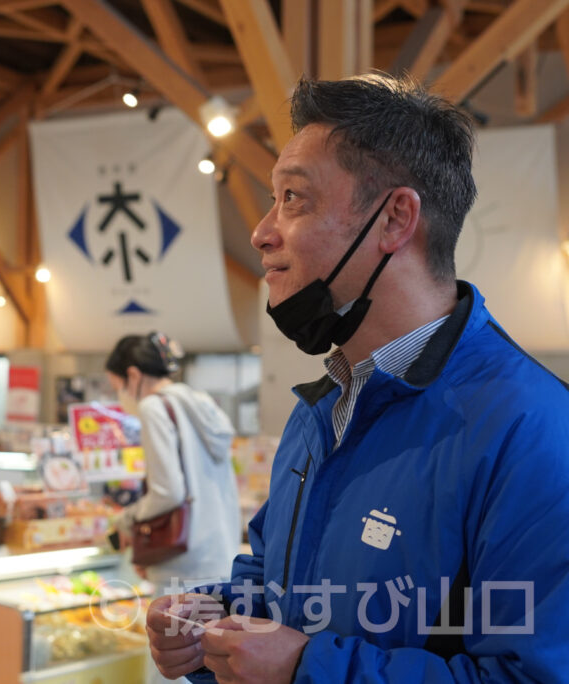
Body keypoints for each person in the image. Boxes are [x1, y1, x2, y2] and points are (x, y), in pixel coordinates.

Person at [146, 73, 569, 683]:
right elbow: (283, 587)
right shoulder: (321, 410)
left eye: (293, 198)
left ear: (395, 219)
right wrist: (215, 620)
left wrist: (304, 669)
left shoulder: (530, 430)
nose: (262, 233)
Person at [106, 333, 241, 683]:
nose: (120, 397)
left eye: (117, 386)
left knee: (171, 669)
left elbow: (167, 492)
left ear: (133, 375)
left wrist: (125, 519)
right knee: (205, 665)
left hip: (181, 560)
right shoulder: (200, 404)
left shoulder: (154, 407)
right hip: (218, 558)